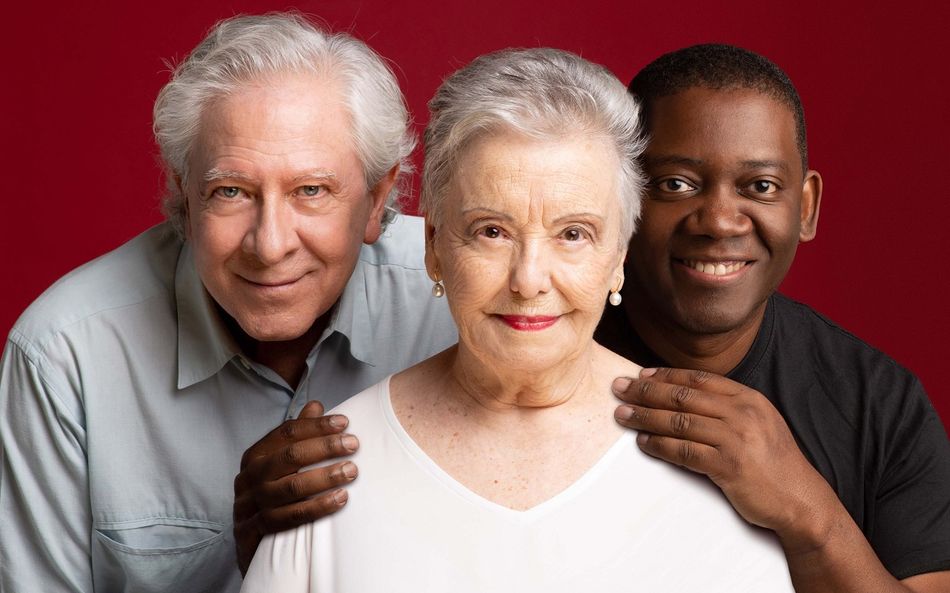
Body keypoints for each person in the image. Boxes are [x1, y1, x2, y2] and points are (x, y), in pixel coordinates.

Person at [241, 47, 796, 593]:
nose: (528, 280)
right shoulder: (327, 474)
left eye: (573, 234)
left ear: (618, 258)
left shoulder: (713, 466)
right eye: (492, 231)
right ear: (434, 247)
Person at [0, 13, 456, 593]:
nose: (270, 245)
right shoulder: (64, 356)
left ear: (376, 199)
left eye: (311, 190)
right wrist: (238, 560)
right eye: (231, 191)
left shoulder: (464, 298)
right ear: (185, 196)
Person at [598, 44, 950, 592]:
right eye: (675, 183)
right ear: (622, 198)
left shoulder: (882, 404)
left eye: (760, 186)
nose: (719, 221)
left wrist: (809, 514)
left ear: (805, 207)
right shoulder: (542, 358)